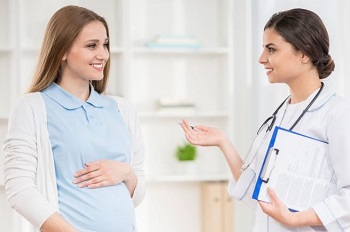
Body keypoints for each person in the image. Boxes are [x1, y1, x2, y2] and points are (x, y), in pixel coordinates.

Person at [180, 8, 350, 232]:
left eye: (271, 49)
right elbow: (261, 193)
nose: (262, 59)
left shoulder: (338, 114)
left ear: (304, 53)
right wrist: (224, 142)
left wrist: (294, 219)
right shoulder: (280, 114)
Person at [3, 5, 145, 232]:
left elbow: (136, 193)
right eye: (92, 46)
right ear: (62, 50)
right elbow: (19, 190)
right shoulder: (33, 107)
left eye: (105, 44)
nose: (103, 54)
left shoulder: (123, 110)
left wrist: (126, 172)